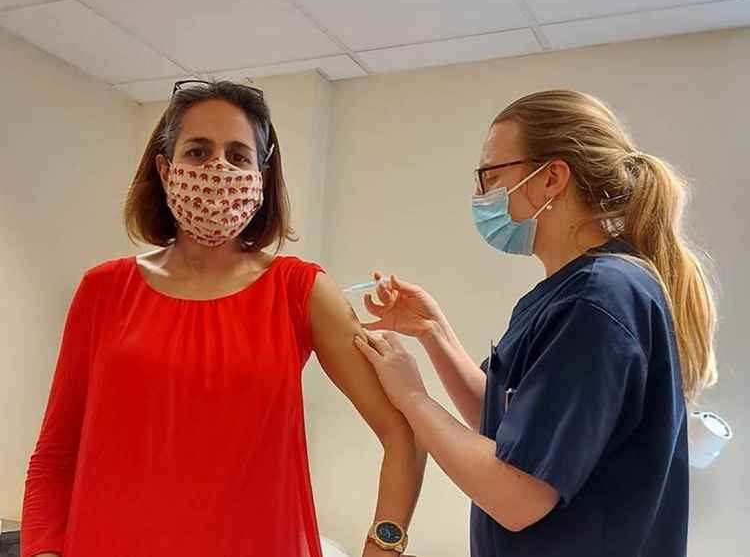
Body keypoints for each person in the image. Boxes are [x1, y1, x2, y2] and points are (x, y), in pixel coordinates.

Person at [21, 80, 426, 557]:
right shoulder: (103, 291)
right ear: (164, 168)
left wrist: (383, 545)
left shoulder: (300, 292)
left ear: (262, 175)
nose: (218, 169)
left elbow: (403, 433)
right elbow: (54, 456)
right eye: (197, 151)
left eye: (238, 156)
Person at [355, 90, 718, 557]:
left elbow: (517, 496)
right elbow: (510, 429)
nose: (479, 195)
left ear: (551, 178)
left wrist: (411, 397)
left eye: (489, 175)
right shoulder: (567, 293)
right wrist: (434, 333)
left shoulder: (598, 299)